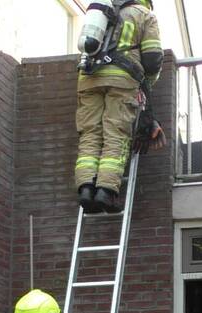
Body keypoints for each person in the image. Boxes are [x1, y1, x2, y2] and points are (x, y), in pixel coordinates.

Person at [75, 0, 164, 214]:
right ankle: (106, 192)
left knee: (90, 133)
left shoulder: (102, 10)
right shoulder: (144, 14)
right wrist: (147, 83)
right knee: (116, 133)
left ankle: (86, 188)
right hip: (122, 79)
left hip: (88, 78)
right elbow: (152, 59)